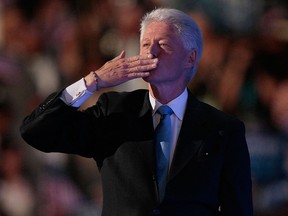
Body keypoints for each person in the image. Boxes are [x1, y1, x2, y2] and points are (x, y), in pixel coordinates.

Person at [20, 8, 253, 216]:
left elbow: (238, 209)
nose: (150, 52)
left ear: (190, 57)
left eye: (162, 45)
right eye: (144, 44)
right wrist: (93, 81)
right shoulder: (115, 111)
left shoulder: (223, 129)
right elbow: (36, 131)